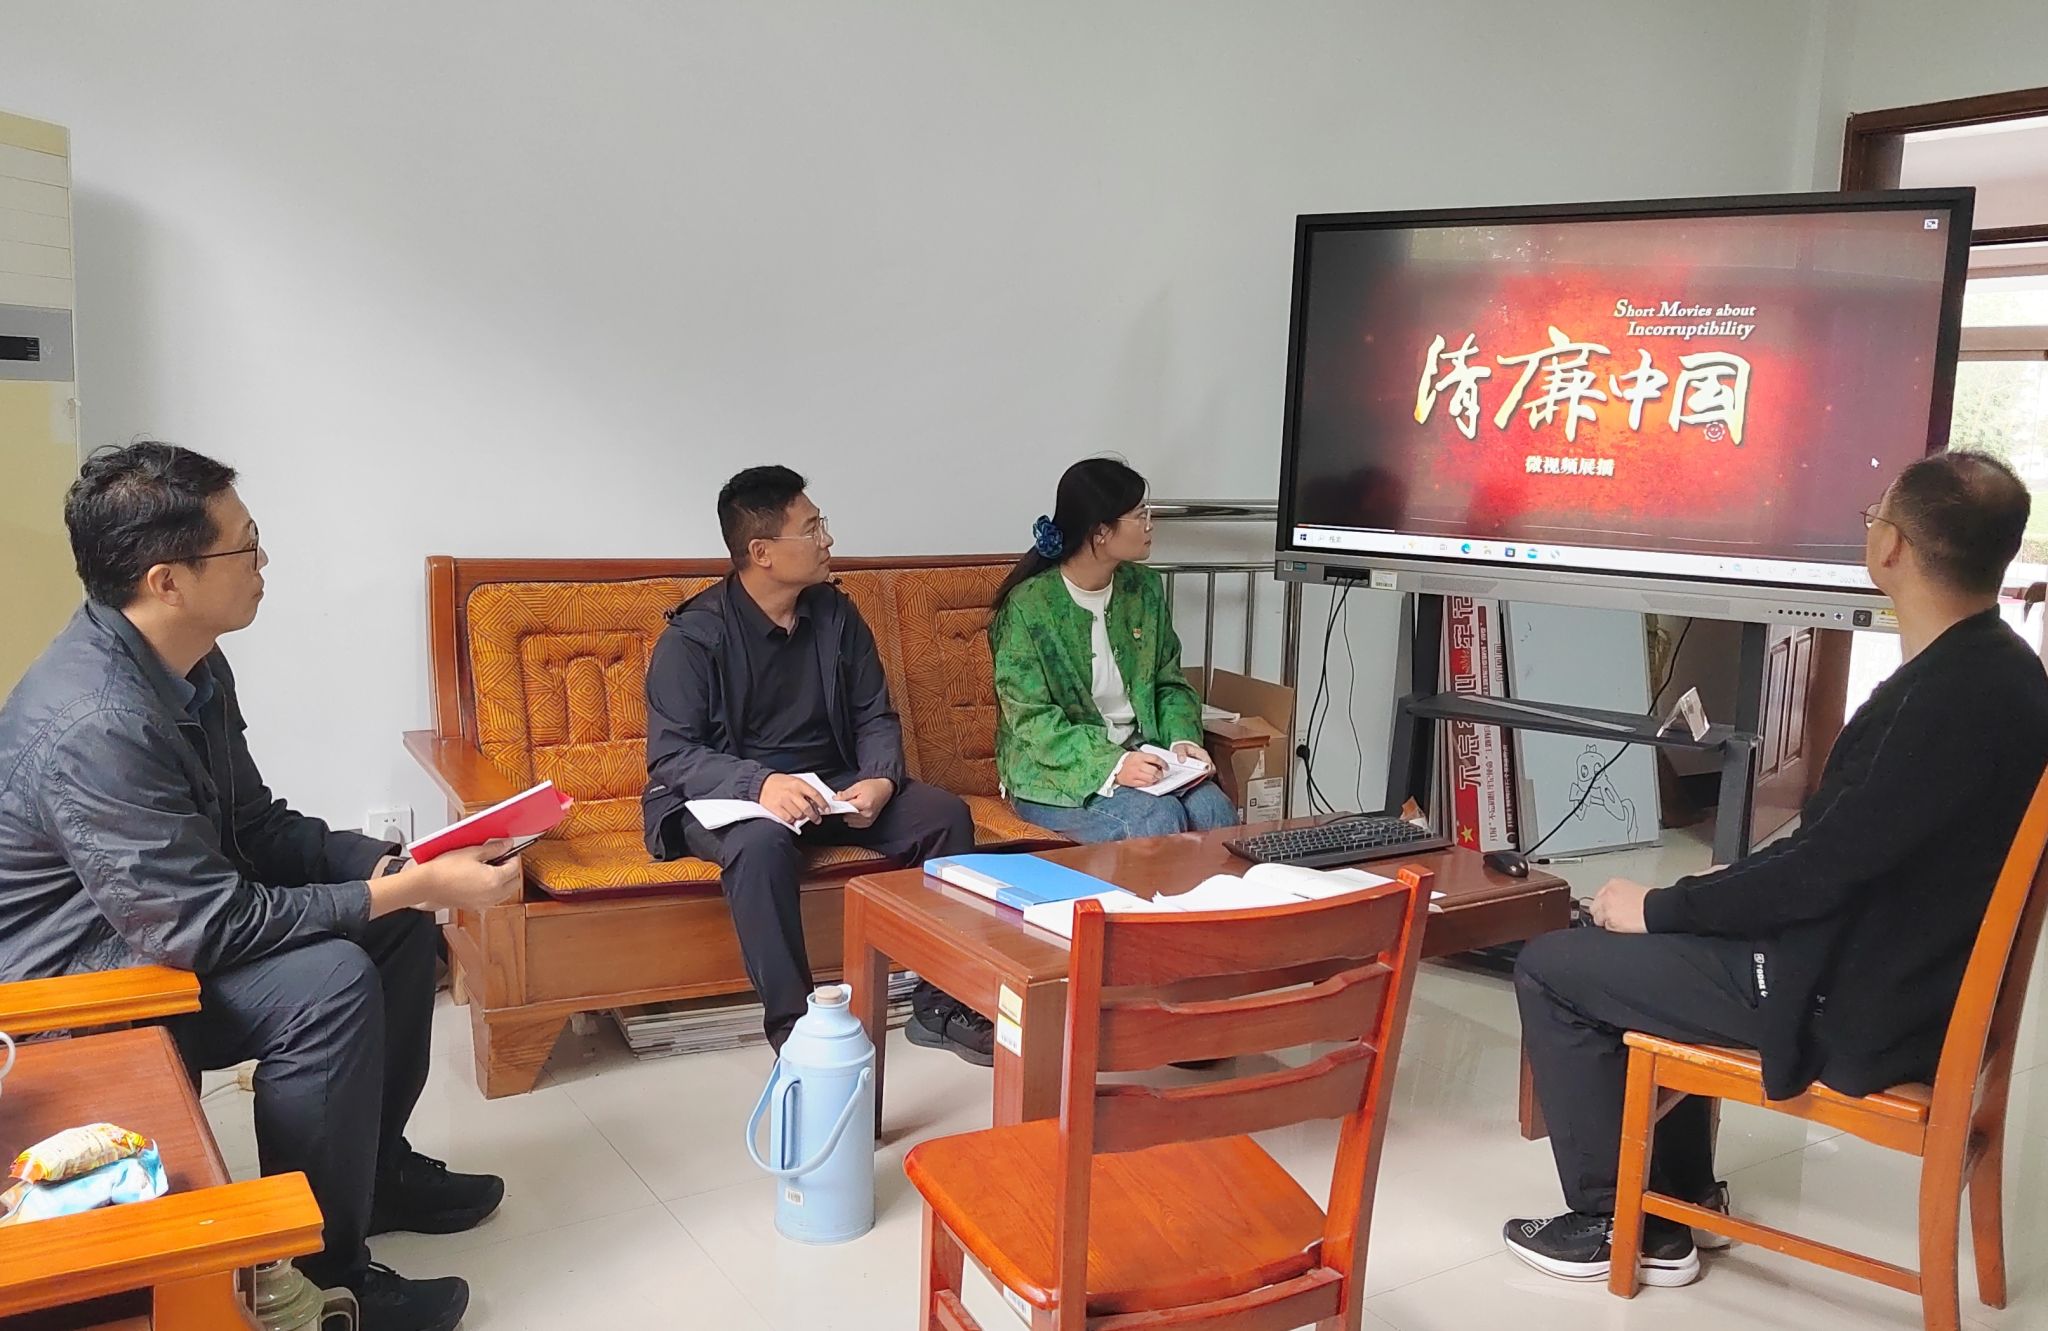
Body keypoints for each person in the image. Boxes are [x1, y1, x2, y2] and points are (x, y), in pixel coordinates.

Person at [0, 444, 518, 1331]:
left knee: (395, 924)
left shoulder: (191, 662)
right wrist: (405, 888)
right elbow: (203, 925)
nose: (264, 560)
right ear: (167, 580)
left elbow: (253, 829)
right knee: (328, 984)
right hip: (74, 985)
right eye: (244, 546)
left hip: (153, 924)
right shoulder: (98, 720)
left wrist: (393, 864)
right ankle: (322, 1276)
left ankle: (374, 1176)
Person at [1503, 451, 2048, 1289]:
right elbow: (1840, 854)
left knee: (1553, 965)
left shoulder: (1939, 702)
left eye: (1874, 516)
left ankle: (1619, 1222)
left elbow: (1820, 869)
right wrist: (1701, 898)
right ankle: (1683, 1196)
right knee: (1687, 920)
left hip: (1851, 1003)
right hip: (1906, 979)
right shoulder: (2007, 674)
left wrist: (1663, 906)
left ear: (1893, 546)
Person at [642, 466, 989, 1061]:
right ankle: (798, 1033)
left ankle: (942, 1005)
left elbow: (874, 715)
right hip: (728, 798)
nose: (827, 539)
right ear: (762, 552)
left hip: (831, 787)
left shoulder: (836, 615)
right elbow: (673, 755)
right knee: (759, 846)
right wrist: (760, 784)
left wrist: (879, 777)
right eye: (811, 528)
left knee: (944, 816)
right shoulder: (694, 638)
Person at [990, 458, 1237, 843]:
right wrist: (1114, 764)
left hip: (1145, 756)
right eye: (1140, 515)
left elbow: (1168, 682)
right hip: (1052, 773)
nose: (1150, 524)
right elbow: (1032, 719)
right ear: (1101, 531)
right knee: (1156, 819)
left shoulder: (1144, 589)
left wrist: (1181, 741)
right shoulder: (1029, 608)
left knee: (1214, 811)